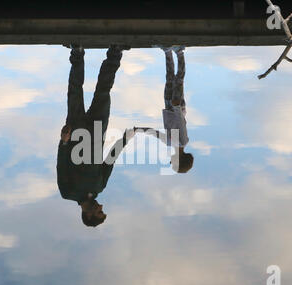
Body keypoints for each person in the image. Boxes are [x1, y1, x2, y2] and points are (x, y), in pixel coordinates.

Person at [57, 44, 133, 227]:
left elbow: (61, 166)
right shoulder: (100, 187)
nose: (101, 206)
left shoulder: (68, 192)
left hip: (76, 133)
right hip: (98, 130)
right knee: (104, 91)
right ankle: (115, 52)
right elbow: (110, 160)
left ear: (88, 215)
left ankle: (77, 52)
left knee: (75, 92)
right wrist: (125, 139)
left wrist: (64, 143)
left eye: (99, 211)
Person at [140, 45, 193, 173]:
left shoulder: (170, 143)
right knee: (179, 79)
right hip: (177, 107)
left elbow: (157, 135)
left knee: (169, 79)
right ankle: (180, 53)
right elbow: (180, 123)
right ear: (180, 160)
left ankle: (167, 52)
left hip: (168, 107)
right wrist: (176, 107)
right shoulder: (183, 142)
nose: (171, 159)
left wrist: (142, 130)